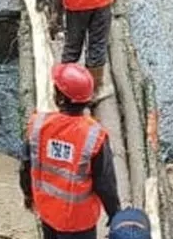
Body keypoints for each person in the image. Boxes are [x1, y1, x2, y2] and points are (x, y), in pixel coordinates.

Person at [21, 62, 121, 239]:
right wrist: (115, 213)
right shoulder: (94, 136)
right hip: (79, 222)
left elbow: (26, 166)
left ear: (60, 97)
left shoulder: (38, 125)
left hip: (47, 211)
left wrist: (28, 195)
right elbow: (105, 184)